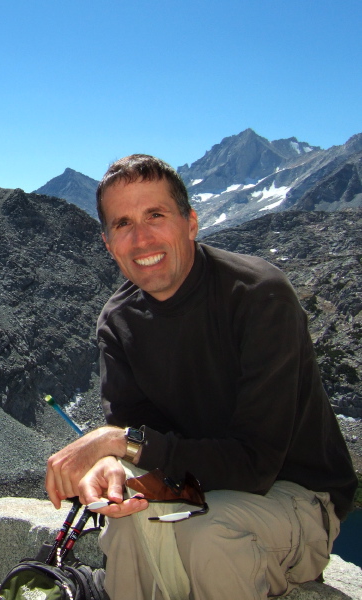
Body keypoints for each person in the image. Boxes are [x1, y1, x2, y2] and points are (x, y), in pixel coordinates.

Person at [44, 154, 357, 599]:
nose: (141, 238)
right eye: (123, 224)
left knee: (207, 536)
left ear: (191, 223)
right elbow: (139, 442)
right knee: (128, 525)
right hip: (188, 484)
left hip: (296, 492)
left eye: (156, 215)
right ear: (108, 243)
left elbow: (256, 465)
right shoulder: (118, 323)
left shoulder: (259, 295)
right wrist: (112, 465)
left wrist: (118, 443)